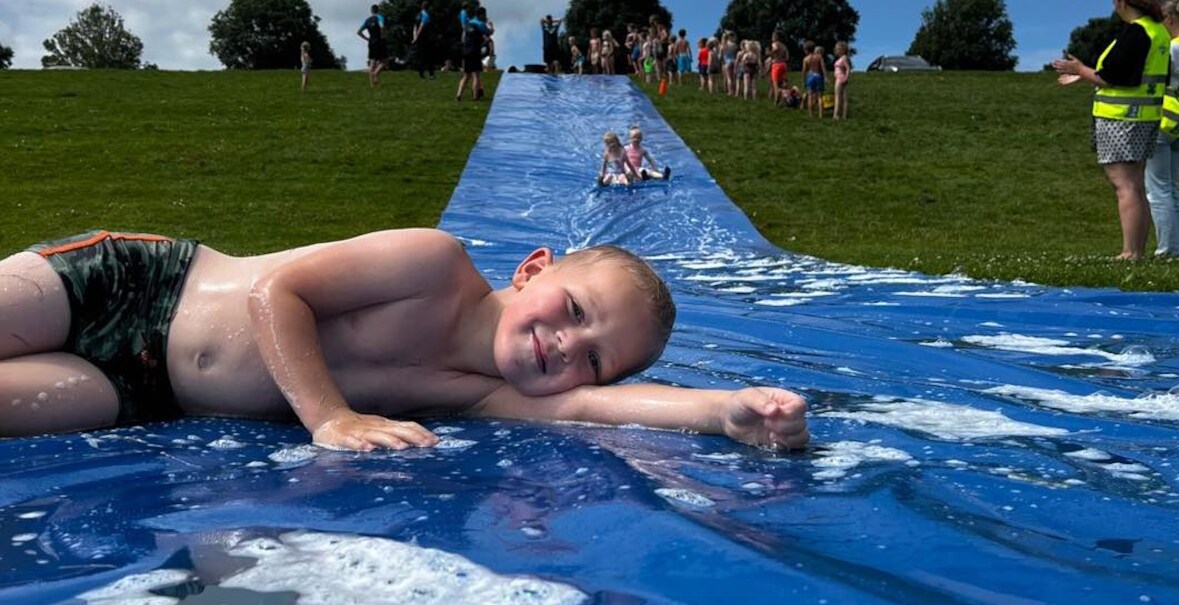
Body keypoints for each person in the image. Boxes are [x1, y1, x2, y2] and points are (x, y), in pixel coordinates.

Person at [0, 229, 809, 451]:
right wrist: (328, 417)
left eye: (592, 353)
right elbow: (276, 292)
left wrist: (727, 412)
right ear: (531, 270)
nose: (566, 346)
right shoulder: (435, 264)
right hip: (130, 285)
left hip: (150, 393)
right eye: (573, 309)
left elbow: (595, 409)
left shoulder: (482, 395)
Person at [1053, 0, 1170, 260]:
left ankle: (1130, 252)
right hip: (1143, 118)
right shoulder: (1157, 31)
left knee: (1125, 186)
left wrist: (1079, 69)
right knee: (1136, 186)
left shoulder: (1136, 33)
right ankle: (1136, 250)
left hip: (1121, 120)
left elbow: (1113, 77)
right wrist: (1086, 74)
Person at [1147, 0, 1179, 256]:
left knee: (1157, 190)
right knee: (1171, 189)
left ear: (1168, 20)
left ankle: (1167, 250)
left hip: (1165, 121)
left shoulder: (1175, 47)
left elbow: (1174, 82)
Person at [456, 6, 492, 101]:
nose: (485, 16)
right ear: (481, 14)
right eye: (484, 14)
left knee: (466, 75)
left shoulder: (469, 23)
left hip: (465, 51)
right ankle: (475, 97)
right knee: (476, 75)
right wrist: (491, 26)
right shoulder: (480, 24)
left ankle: (459, 95)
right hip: (475, 51)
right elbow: (489, 33)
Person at [357, 4, 387, 88]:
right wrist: (382, 35)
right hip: (379, 41)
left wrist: (367, 39)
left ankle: (372, 85)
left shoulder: (367, 20)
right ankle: (375, 73)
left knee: (372, 62)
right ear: (378, 10)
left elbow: (359, 32)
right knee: (384, 61)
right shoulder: (379, 17)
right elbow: (382, 26)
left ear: (371, 11)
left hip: (371, 42)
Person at [802, 41, 826, 118]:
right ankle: (821, 115)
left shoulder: (806, 59)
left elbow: (804, 71)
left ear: (806, 50)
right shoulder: (819, 57)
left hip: (810, 76)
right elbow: (823, 67)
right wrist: (825, 77)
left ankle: (810, 114)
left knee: (810, 96)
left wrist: (804, 80)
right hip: (818, 76)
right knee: (820, 96)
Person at [412, 1, 435, 80]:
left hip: (419, 39)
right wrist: (418, 36)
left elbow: (415, 27)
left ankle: (421, 74)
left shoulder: (418, 15)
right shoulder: (426, 15)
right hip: (425, 38)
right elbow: (421, 26)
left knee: (420, 56)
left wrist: (415, 37)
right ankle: (431, 74)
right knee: (429, 57)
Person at [769, 32, 790, 106]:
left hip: (776, 64)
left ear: (775, 37)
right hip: (783, 65)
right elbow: (787, 57)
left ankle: (776, 101)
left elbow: (775, 49)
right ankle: (785, 99)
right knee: (783, 83)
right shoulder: (784, 46)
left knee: (775, 84)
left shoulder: (775, 44)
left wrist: (770, 53)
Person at [833, 41, 852, 121]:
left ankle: (836, 115)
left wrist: (846, 77)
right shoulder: (842, 58)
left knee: (837, 97)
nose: (837, 51)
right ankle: (843, 115)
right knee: (844, 97)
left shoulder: (844, 58)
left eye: (838, 49)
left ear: (843, 50)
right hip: (841, 78)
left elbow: (848, 68)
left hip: (840, 78)